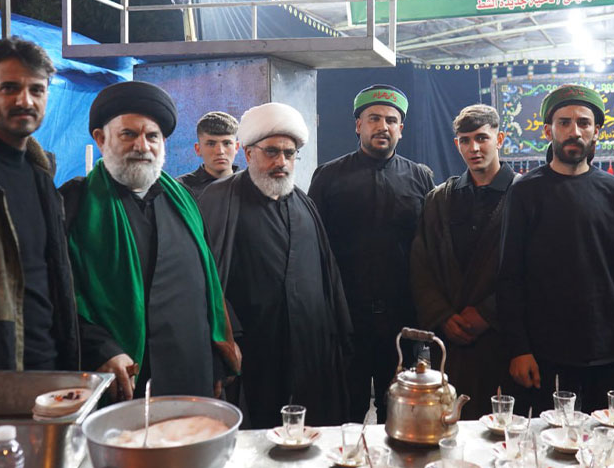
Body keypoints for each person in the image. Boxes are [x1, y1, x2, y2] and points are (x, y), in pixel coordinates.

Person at [61, 81, 240, 401]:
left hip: (190, 375)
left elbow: (206, 288)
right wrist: (100, 349)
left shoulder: (184, 200)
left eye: (152, 136)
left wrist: (214, 359)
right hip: (121, 380)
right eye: (128, 134)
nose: (142, 146)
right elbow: (59, 297)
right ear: (101, 139)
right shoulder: (74, 204)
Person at [496, 84, 614, 413]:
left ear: (596, 131)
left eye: (583, 123)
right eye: (564, 122)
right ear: (548, 131)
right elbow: (509, 276)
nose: (574, 131)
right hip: (544, 354)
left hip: (610, 351)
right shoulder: (524, 192)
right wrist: (518, 348)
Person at [199, 102, 353, 429]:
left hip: (309, 350)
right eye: (271, 152)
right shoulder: (218, 199)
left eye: (289, 153)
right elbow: (204, 280)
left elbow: (328, 279)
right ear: (248, 153)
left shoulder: (304, 204)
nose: (281, 161)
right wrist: (225, 342)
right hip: (252, 351)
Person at [308, 84, 434, 423]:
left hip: (403, 321)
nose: (383, 127)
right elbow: (314, 248)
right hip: (346, 318)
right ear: (358, 125)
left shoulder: (421, 178)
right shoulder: (328, 176)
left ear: (401, 129)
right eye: (374, 118)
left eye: (391, 120)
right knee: (345, 413)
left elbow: (431, 250)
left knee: (402, 413)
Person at [0, 37, 79, 371]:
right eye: (9, 88)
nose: (25, 100)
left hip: (48, 370)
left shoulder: (42, 175)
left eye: (36, 90)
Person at [410, 104, 517, 419]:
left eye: (482, 138)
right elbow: (421, 264)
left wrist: (488, 313)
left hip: (506, 339)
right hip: (451, 342)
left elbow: (536, 267)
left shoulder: (525, 193)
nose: (474, 148)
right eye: (465, 140)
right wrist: (442, 315)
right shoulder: (439, 199)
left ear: (499, 139)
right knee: (449, 424)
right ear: (457, 144)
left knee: (503, 428)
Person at [177, 111, 239, 197]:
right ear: (198, 149)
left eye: (227, 143)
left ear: (236, 147)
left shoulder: (253, 184)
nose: (220, 151)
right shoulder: (180, 189)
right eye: (211, 144)